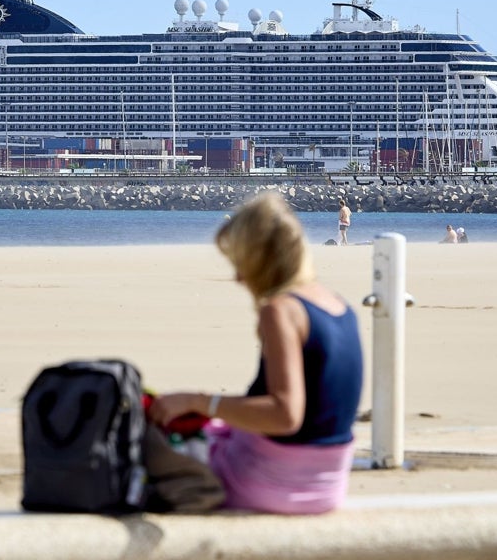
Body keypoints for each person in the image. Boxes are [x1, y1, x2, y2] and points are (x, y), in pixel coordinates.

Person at [146, 191, 364, 514]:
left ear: (263, 258)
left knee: (146, 445)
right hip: (329, 485)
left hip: (273, 481)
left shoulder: (282, 311)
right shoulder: (339, 306)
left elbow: (285, 414)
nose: (237, 277)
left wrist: (199, 401)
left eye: (241, 262)